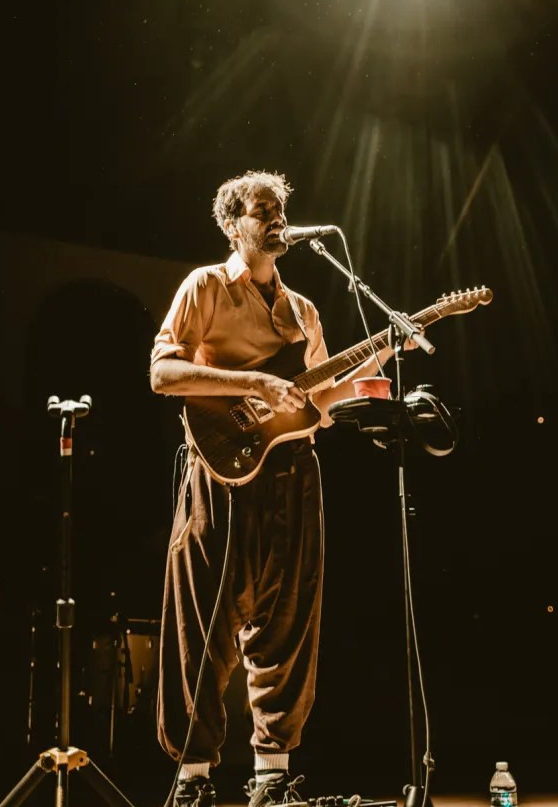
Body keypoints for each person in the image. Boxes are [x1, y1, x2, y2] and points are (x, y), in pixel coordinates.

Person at [150, 170, 409, 807]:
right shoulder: (205, 286)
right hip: (221, 475)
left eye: (279, 210)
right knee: (205, 627)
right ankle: (194, 782)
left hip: (295, 475)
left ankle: (272, 778)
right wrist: (255, 385)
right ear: (233, 223)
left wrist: (368, 373)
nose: (274, 219)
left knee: (288, 626)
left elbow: (315, 401)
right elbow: (162, 373)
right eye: (260, 211)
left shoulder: (304, 310)